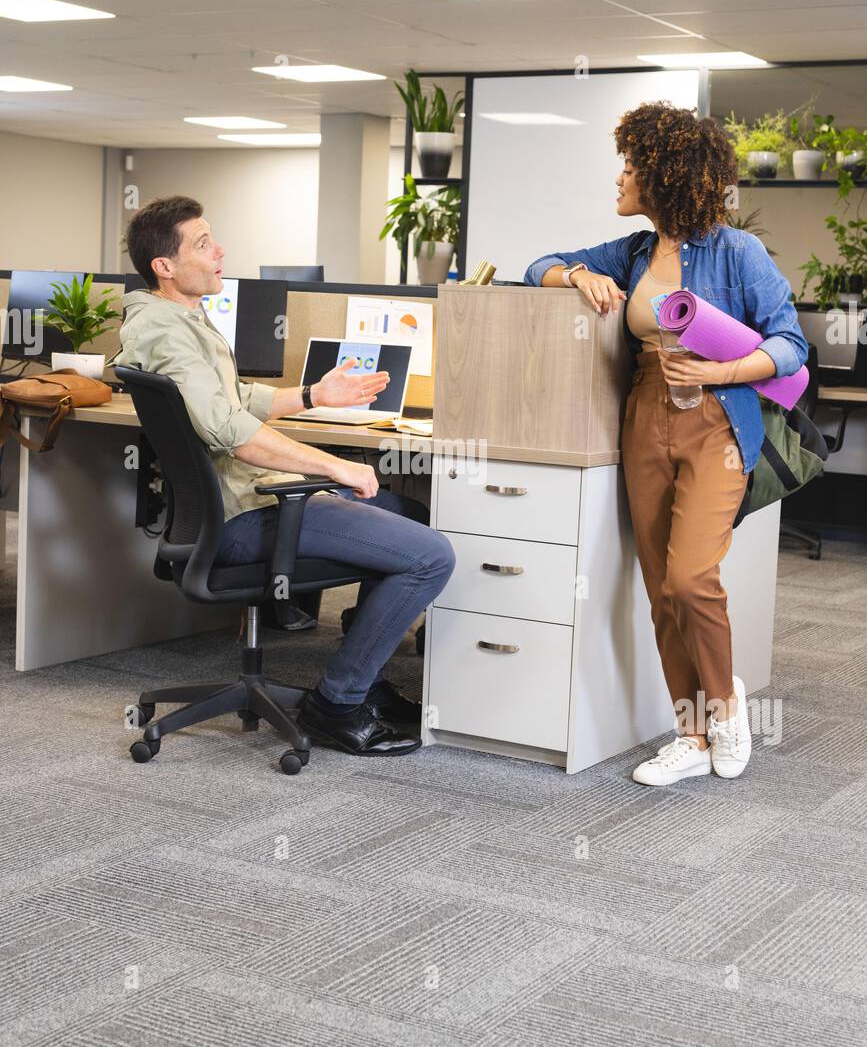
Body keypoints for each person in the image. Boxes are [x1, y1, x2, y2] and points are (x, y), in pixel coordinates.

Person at [524, 101, 807, 786]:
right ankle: (690, 734)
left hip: (717, 419)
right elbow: (536, 265)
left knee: (690, 577)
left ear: (662, 173)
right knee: (659, 589)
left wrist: (720, 370)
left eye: (629, 166)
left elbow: (789, 347)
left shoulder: (736, 252)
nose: (618, 179)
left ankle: (724, 706)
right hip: (645, 417)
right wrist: (576, 276)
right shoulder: (628, 252)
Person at [117, 195, 454, 758]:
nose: (220, 250)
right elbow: (232, 430)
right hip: (245, 515)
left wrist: (313, 394)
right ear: (164, 266)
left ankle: (366, 681)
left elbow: (235, 398)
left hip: (235, 504)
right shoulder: (166, 333)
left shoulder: (176, 318)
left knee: (406, 514)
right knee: (430, 555)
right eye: (203, 244)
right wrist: (334, 466)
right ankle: (339, 702)